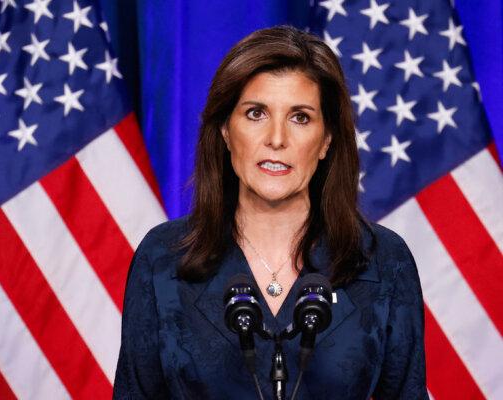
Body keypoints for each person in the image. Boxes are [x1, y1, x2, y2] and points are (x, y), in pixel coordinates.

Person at [113, 26, 428, 399]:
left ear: (326, 140)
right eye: (256, 113)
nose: (277, 139)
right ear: (227, 131)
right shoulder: (164, 257)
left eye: (300, 117)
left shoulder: (382, 259)